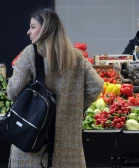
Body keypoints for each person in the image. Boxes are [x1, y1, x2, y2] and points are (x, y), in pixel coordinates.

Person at [7, 9, 103, 168]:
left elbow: (12, 92)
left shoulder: (30, 54)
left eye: (32, 27)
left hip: (33, 144)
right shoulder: (76, 57)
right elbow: (96, 86)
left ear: (45, 28)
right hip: (68, 147)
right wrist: (76, 104)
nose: (28, 32)